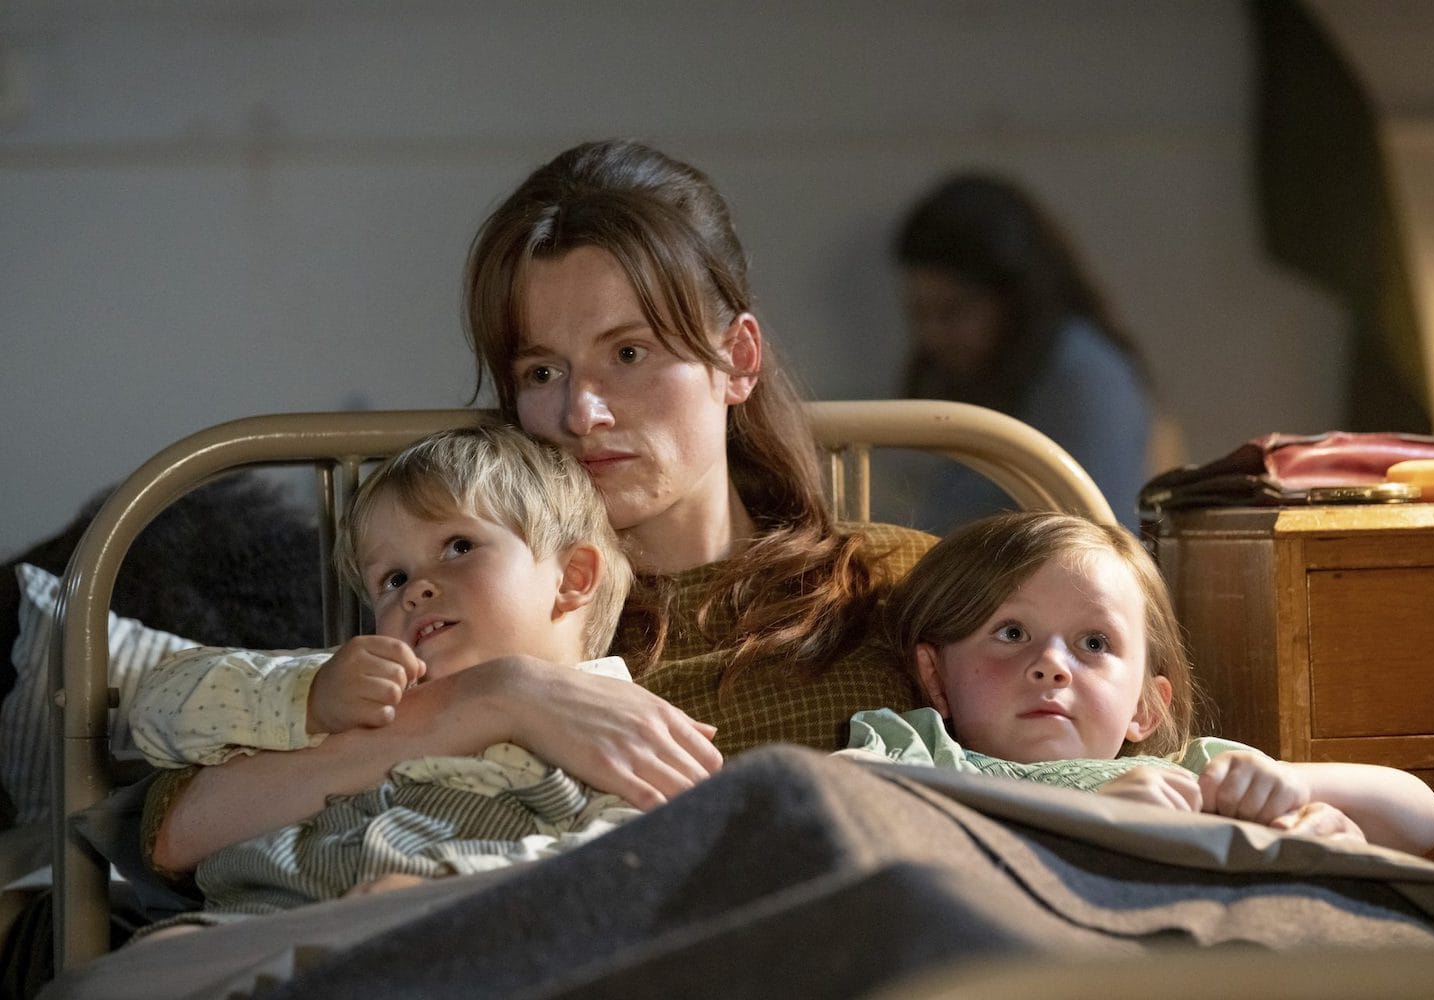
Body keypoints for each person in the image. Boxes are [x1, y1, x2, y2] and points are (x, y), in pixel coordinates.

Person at [143, 139, 936, 878]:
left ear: (738, 358)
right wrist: (497, 698)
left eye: (629, 354)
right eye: (542, 372)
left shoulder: (904, 587)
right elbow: (172, 830)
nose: (580, 413)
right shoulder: (476, 605)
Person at [130, 424, 642, 915]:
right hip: (250, 922)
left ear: (572, 578)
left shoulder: (620, 727)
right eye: (393, 578)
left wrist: (448, 887)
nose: (417, 588)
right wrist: (307, 699)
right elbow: (156, 708)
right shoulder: (357, 686)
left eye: (459, 546)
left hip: (446, 932)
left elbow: (629, 862)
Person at [845, 511, 1434, 855]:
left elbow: (1425, 819)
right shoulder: (920, 755)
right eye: (1010, 633)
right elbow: (844, 830)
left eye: (1094, 644)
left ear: (1144, 708)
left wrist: (1290, 791)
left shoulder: (1196, 775)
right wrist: (1091, 825)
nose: (1052, 664)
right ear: (936, 677)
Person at [893, 174, 1154, 530]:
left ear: (1015, 300)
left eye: (953, 311)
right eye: (919, 314)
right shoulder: (993, 382)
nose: (933, 336)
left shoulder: (1084, 380)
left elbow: (1108, 540)